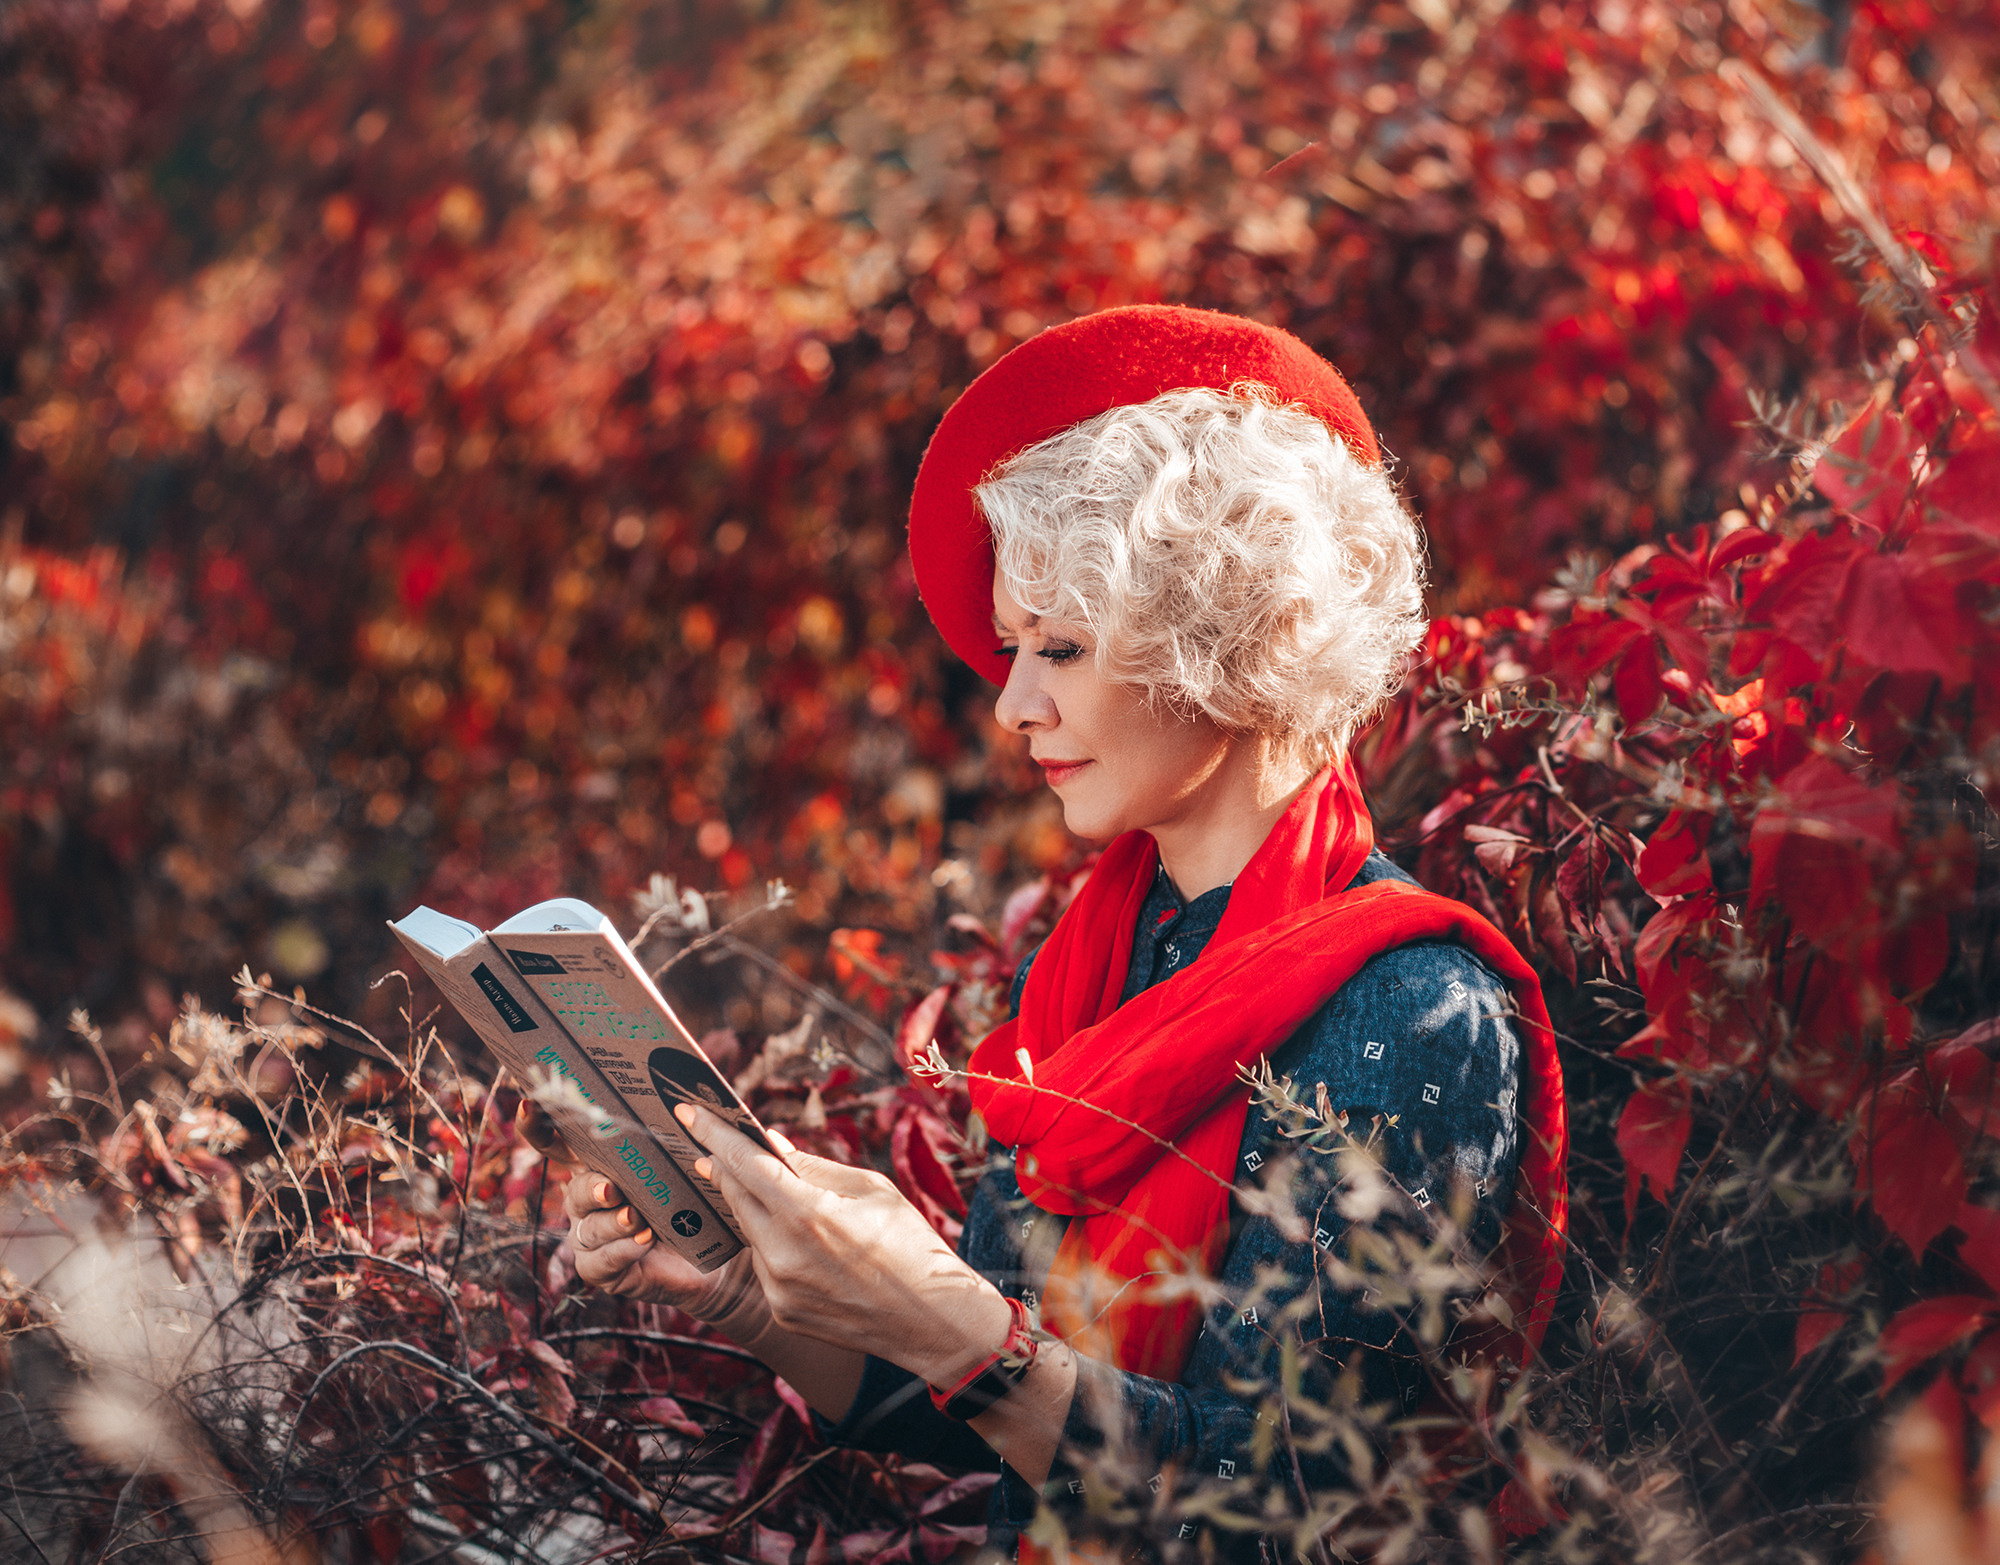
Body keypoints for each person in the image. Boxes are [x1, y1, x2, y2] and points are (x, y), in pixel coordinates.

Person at [545, 306, 1568, 1561]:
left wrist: (952, 1326)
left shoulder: (1406, 1010)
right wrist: (753, 1295)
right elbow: (998, 1421)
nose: (1013, 702)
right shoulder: (1094, 962)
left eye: (1060, 647)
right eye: (1012, 647)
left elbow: (1280, 1510)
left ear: (1230, 640)